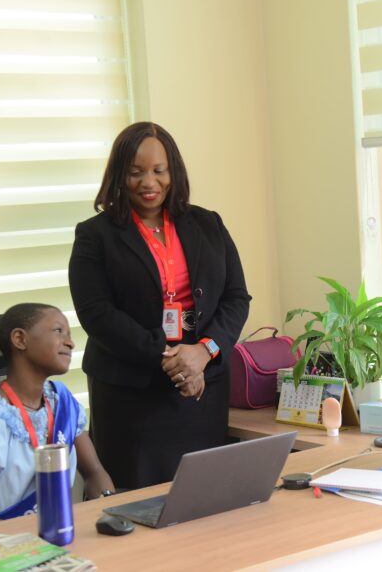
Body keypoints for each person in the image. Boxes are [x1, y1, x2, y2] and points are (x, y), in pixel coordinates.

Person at [68, 121, 251, 489]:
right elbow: (97, 314)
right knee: (134, 507)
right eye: (135, 173)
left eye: (158, 171)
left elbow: (236, 298)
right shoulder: (94, 236)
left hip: (202, 387)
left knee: (204, 498)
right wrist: (171, 359)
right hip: (131, 394)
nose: (148, 182)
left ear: (173, 172)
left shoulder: (208, 224)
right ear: (119, 175)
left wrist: (203, 352)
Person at [0, 303, 114, 525]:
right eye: (58, 331)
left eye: (69, 334)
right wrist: (34, 534)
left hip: (55, 538)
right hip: (4, 549)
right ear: (20, 339)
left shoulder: (62, 404)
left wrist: (110, 514)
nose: (70, 342)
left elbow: (94, 472)